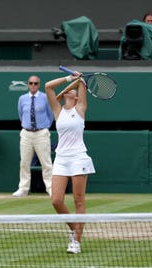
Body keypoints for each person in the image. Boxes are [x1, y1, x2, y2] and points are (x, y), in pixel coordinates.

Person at [44, 73, 95, 254]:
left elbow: (82, 83)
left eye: (73, 91)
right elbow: (48, 86)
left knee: (78, 200)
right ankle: (75, 229)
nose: (70, 92)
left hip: (78, 158)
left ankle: (76, 242)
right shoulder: (57, 110)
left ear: (76, 97)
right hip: (61, 159)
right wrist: (68, 79)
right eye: (68, 91)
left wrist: (79, 79)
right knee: (56, 200)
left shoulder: (80, 108)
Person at [13, 75, 55, 197]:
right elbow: (21, 114)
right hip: (26, 133)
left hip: (41, 133)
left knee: (46, 163)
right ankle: (23, 189)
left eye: (35, 83)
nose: (33, 85)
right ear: (27, 84)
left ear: (39, 84)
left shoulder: (45, 97)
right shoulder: (22, 98)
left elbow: (50, 115)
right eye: (31, 83)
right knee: (24, 162)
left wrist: (43, 127)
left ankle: (51, 188)